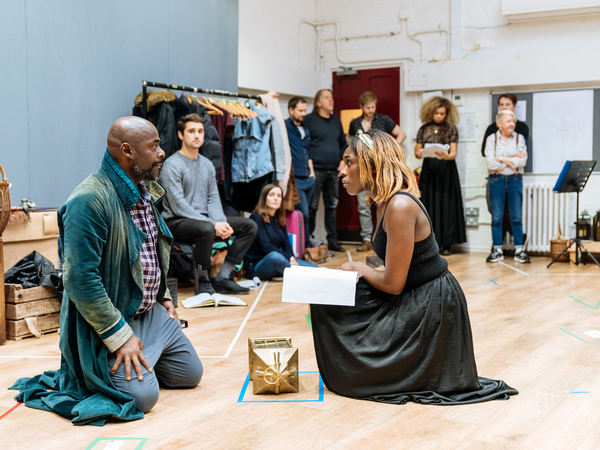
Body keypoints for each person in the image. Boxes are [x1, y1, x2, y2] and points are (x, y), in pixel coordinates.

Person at [10, 117, 203, 425]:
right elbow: (79, 279)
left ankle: (145, 351)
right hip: (110, 323)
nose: (162, 152)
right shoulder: (88, 200)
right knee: (143, 398)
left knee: (190, 374)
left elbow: (154, 250)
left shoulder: (144, 190)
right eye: (154, 146)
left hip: (148, 311)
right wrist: (120, 338)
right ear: (128, 152)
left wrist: (164, 297)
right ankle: (131, 353)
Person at [310, 129, 518, 405]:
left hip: (430, 304)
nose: (341, 171)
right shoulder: (383, 202)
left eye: (349, 162)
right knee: (324, 294)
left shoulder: (399, 205)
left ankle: (362, 372)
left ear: (372, 163)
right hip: (413, 292)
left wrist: (358, 267)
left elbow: (393, 285)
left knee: (337, 296)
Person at [160, 114, 258, 295]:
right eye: (191, 131)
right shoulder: (172, 165)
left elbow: (213, 198)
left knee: (249, 225)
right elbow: (178, 205)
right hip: (175, 221)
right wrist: (214, 225)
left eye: (200, 131)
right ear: (181, 135)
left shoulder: (207, 164)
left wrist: (220, 222)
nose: (197, 135)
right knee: (206, 229)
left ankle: (222, 276)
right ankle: (203, 279)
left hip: (204, 221)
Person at [348, 91, 407, 252]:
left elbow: (402, 134)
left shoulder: (383, 119)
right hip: (362, 169)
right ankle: (367, 238)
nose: (371, 110)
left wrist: (389, 150)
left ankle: (385, 238)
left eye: (373, 106)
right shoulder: (354, 123)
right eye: (367, 107)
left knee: (384, 203)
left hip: (382, 169)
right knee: (363, 204)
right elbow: (349, 144)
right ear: (361, 107)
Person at [414, 96, 466, 255]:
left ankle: (447, 243)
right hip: (429, 170)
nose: (439, 116)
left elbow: (453, 153)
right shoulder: (424, 129)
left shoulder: (451, 128)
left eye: (442, 113)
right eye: (436, 113)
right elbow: (417, 152)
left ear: (447, 113)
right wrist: (421, 152)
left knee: (447, 203)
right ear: (431, 112)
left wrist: (445, 156)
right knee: (428, 204)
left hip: (446, 170)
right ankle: (428, 241)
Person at [481, 94, 530, 244]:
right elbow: (487, 156)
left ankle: (518, 244)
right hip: (496, 178)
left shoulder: (521, 131)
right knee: (496, 213)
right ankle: (498, 246)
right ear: (499, 123)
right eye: (501, 104)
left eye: (507, 104)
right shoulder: (491, 131)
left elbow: (521, 158)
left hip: (514, 178)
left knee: (514, 214)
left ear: (514, 106)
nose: (504, 107)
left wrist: (501, 157)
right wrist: (512, 158)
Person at [303, 89, 347, 252]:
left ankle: (333, 241)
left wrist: (343, 161)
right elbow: (304, 144)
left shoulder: (336, 120)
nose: (331, 100)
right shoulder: (309, 120)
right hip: (316, 171)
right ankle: (309, 239)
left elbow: (343, 143)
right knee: (312, 207)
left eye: (332, 98)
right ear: (318, 103)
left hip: (333, 171)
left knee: (332, 206)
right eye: (327, 98)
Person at [244, 184, 318, 280]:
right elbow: (266, 247)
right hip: (257, 267)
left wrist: (292, 257)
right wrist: (289, 258)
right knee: (275, 257)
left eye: (279, 196)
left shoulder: (279, 218)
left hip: (277, 265)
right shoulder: (257, 217)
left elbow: (287, 245)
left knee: (313, 267)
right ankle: (299, 274)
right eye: (271, 195)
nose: (276, 199)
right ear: (264, 198)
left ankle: (299, 273)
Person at [285, 96, 315, 249]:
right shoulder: (285, 127)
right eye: (300, 110)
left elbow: (308, 152)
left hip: (308, 177)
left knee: (308, 212)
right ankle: (305, 247)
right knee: (303, 213)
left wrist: (313, 174)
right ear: (291, 110)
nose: (303, 113)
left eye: (305, 110)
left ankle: (306, 244)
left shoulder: (305, 128)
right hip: (295, 179)